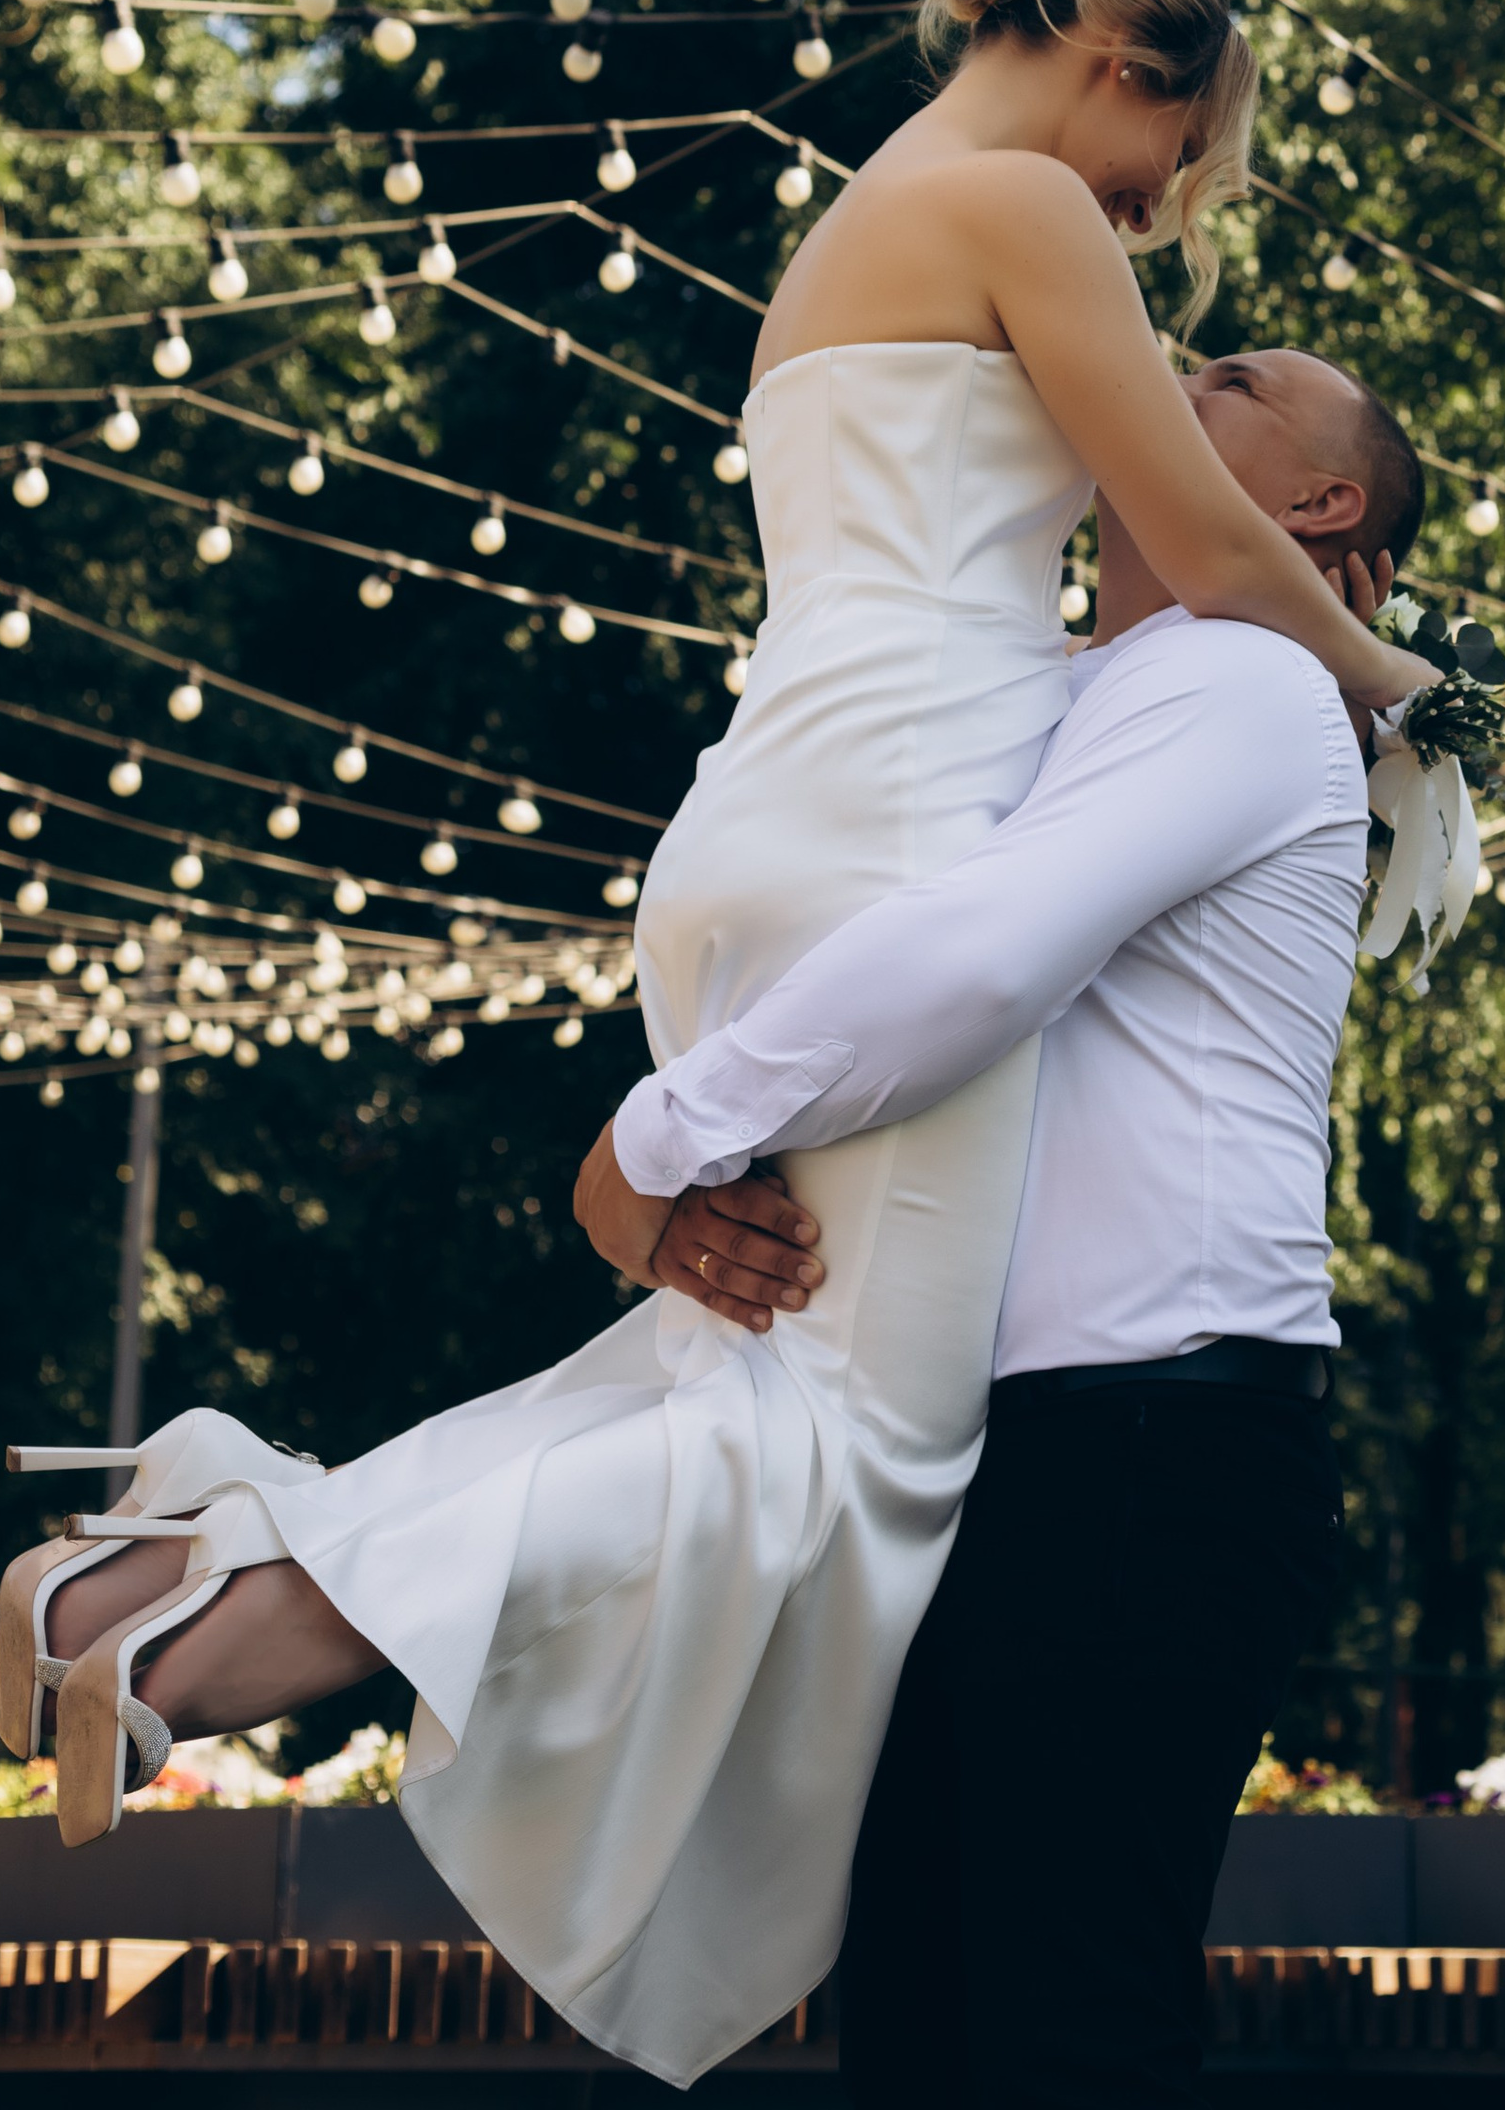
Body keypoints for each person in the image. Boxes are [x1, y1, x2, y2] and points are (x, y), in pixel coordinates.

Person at [0, 0, 1425, 2095]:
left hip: (780, 809)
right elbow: (1210, 567)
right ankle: (219, 1620)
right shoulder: (1045, 230)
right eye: (1169, 182)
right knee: (824, 1438)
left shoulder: (860, 244)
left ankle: (210, 1568)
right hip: (896, 848)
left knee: (724, 1387)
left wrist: (650, 1178)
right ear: (1125, 66)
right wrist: (1411, 687)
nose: (1155, 257)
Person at [578, 342, 1440, 2109]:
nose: (1168, 360)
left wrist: (649, 1147)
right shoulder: (1055, 691)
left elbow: (976, 956)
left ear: (1323, 504)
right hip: (995, 1456)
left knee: (1056, 2036)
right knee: (926, 2034)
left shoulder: (1241, 679)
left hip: (1155, 1450)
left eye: (1236, 372)